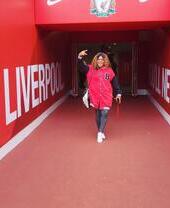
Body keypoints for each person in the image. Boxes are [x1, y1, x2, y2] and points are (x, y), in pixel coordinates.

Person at [78, 50, 122, 143]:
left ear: (105, 61)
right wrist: (79, 57)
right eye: (98, 59)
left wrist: (118, 93)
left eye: (102, 59)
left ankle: (100, 133)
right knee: (98, 114)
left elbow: (115, 83)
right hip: (95, 95)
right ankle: (100, 131)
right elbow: (81, 67)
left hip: (106, 95)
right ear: (96, 60)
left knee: (105, 113)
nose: (100, 61)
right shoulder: (90, 69)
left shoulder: (109, 71)